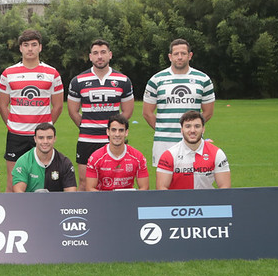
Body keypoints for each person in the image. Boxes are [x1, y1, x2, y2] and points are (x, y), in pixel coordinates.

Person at [0, 29, 64, 192]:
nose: (30, 49)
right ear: (20, 48)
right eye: (26, 45)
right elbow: (2, 105)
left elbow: (58, 106)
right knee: (12, 182)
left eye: (34, 45)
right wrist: (12, 125)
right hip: (16, 135)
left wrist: (46, 127)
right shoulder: (8, 73)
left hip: (41, 137)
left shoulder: (52, 73)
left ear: (40, 47)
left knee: (42, 180)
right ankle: (11, 210)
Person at [67, 39, 134, 190]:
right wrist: (86, 127)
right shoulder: (78, 81)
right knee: (84, 182)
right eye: (95, 53)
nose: (99, 56)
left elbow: (128, 111)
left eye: (103, 52)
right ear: (90, 57)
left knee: (114, 180)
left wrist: (114, 131)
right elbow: (73, 111)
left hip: (113, 140)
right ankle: (83, 207)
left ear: (110, 55)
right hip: (87, 140)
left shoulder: (123, 80)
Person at [143, 38, 215, 166]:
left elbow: (208, 112)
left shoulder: (203, 79)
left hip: (192, 142)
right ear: (170, 57)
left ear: (190, 55)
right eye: (176, 54)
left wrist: (192, 130)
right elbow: (147, 113)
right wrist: (163, 130)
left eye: (183, 53)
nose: (180, 57)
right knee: (165, 178)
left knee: (193, 177)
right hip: (163, 143)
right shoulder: (156, 80)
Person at [156, 111, 230, 190]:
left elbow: (225, 187)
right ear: (182, 130)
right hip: (177, 198)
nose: (192, 130)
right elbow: (161, 188)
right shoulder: (169, 155)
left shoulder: (217, 153)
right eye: (188, 126)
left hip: (206, 198)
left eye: (197, 126)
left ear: (203, 129)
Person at [85, 114, 149, 191]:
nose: (117, 134)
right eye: (113, 130)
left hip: (129, 198)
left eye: (121, 130)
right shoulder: (95, 158)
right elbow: (90, 188)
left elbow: (144, 188)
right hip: (104, 198)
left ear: (126, 132)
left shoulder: (138, 157)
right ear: (108, 132)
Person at [11, 123, 77, 193]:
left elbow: (71, 194)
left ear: (54, 139)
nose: (45, 141)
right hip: (29, 200)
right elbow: (19, 193)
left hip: (56, 200)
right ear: (35, 139)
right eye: (41, 138)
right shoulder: (23, 162)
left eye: (49, 138)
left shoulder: (65, 163)